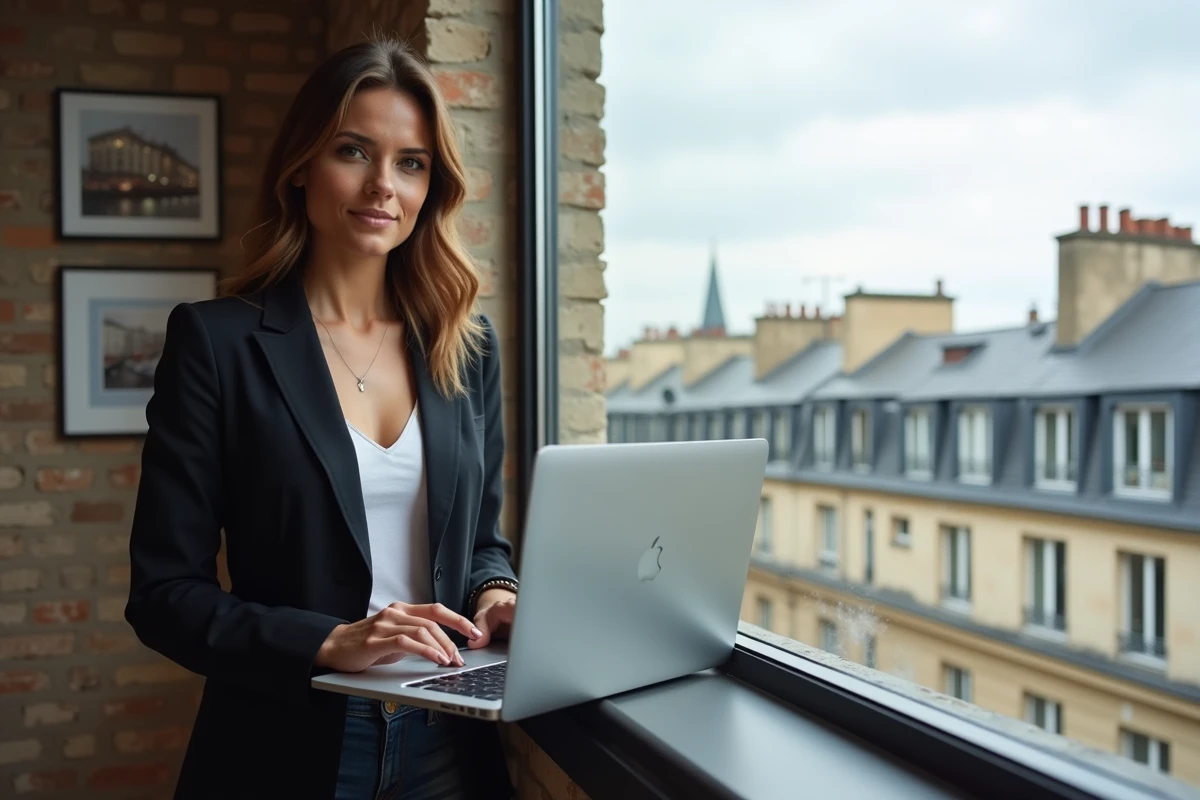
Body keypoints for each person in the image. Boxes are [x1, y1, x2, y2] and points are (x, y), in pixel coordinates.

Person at [125, 37, 518, 800]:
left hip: (449, 750)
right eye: (353, 150)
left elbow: (481, 542)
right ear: (302, 164)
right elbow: (165, 594)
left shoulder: (465, 345)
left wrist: (497, 593)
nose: (383, 185)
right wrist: (332, 641)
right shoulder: (217, 342)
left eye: (411, 162)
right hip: (286, 746)